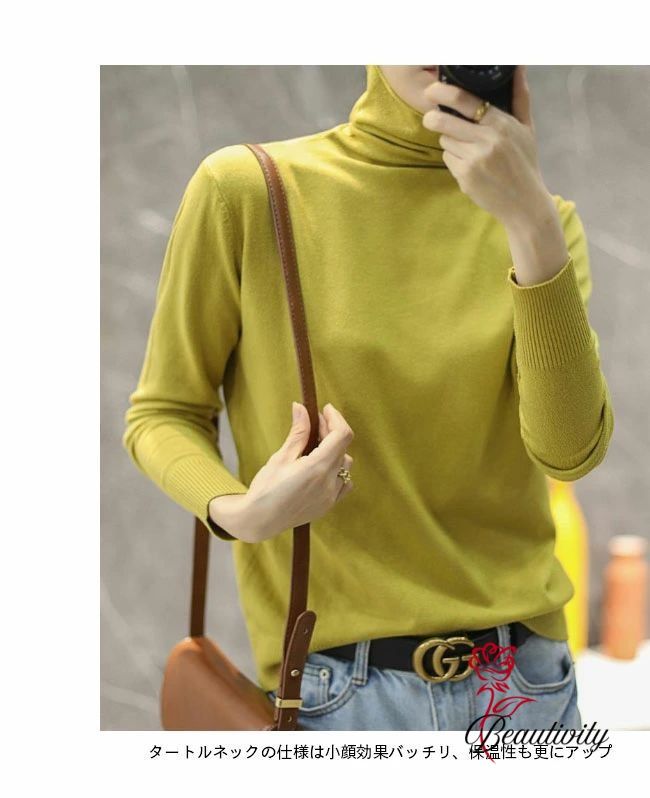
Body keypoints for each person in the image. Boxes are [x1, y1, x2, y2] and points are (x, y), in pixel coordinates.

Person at [122, 65, 614, 731]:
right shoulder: (250, 189)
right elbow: (164, 411)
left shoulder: (546, 224)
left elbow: (568, 452)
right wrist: (241, 513)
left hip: (525, 687)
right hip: (339, 697)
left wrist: (529, 220)